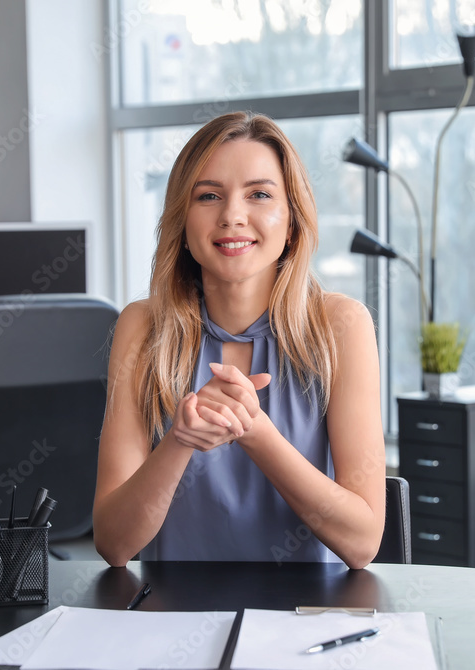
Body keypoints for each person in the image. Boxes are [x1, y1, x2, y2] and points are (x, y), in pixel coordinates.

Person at [93, 111, 385, 569]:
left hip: (304, 619)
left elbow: (363, 543)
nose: (232, 215)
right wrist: (179, 441)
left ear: (291, 224)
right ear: (183, 223)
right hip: (171, 618)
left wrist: (256, 433)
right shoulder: (143, 326)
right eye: (208, 196)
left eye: (260, 195)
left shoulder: (342, 326)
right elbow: (113, 544)